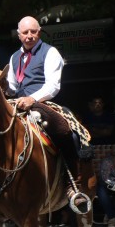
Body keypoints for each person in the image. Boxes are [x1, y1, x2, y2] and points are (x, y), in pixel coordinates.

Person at [6, 16, 89, 211]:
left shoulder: (50, 52)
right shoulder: (14, 57)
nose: (29, 36)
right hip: (17, 103)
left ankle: (72, 184)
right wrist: (0, 84)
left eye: (33, 31)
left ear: (39, 31)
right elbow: (12, 86)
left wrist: (32, 99)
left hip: (43, 103)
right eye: (25, 33)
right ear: (19, 35)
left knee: (65, 131)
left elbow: (53, 86)